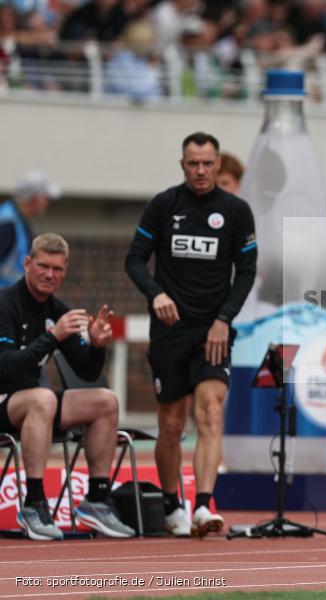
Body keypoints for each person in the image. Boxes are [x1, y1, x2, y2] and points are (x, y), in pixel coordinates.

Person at [125, 132, 257, 537]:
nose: (200, 170)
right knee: (171, 424)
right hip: (169, 332)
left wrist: (225, 319)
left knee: (211, 411)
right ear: (183, 165)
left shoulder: (235, 211)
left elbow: (247, 271)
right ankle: (171, 505)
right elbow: (134, 260)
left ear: (218, 165)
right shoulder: (165, 205)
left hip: (213, 331)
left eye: (207, 163)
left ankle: (202, 505)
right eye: (192, 164)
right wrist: (156, 294)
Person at [0, 233, 134, 540]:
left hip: (34, 404)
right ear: (27, 263)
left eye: (58, 269)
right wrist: (53, 337)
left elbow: (87, 372)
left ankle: (97, 499)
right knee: (43, 399)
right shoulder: (5, 304)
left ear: (66, 270)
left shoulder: (60, 312)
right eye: (43, 266)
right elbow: (7, 365)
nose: (50, 275)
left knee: (106, 401)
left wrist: (98, 345)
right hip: (4, 401)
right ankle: (34, 503)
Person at [0, 171, 60, 288]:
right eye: (46, 198)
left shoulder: (16, 221)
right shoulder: (8, 224)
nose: (47, 203)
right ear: (35, 199)